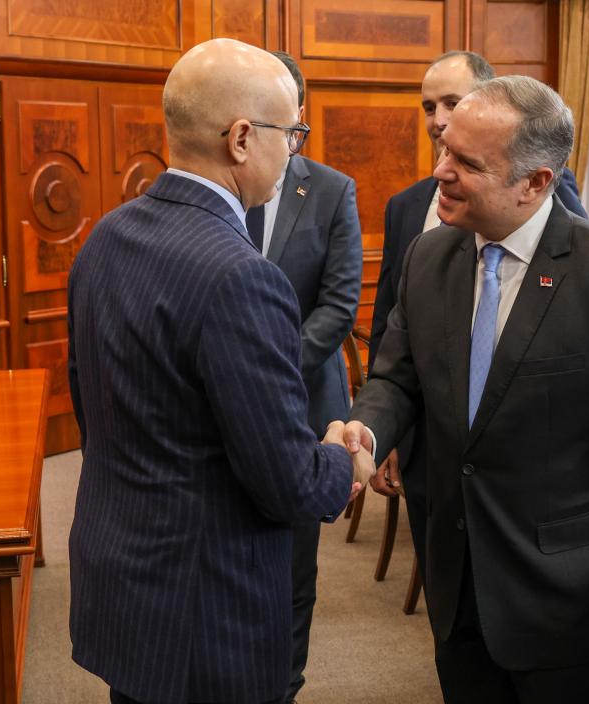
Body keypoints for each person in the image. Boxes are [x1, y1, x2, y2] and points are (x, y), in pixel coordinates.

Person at [344, 76, 589, 702]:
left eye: (466, 162)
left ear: (535, 182)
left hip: (567, 598)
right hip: (457, 581)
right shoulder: (429, 257)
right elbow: (397, 377)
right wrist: (366, 430)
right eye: (444, 150)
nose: (440, 171)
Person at [66, 39, 371, 704]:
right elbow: (289, 484)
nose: (294, 151)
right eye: (291, 133)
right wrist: (340, 454)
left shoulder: (103, 238)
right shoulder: (241, 276)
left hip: (124, 580)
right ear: (241, 139)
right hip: (204, 612)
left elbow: (93, 412)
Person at [367, 50, 589, 570]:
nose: (438, 123)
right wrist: (380, 432)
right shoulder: (416, 227)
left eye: (453, 103)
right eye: (429, 108)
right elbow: (392, 339)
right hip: (435, 463)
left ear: (535, 183)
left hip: (538, 520)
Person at [256, 51, 363, 704]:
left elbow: (339, 303)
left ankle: (285, 685)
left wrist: (266, 371)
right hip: (219, 407)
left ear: (299, 108)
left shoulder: (329, 189)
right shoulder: (214, 187)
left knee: (296, 566)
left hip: (301, 403)